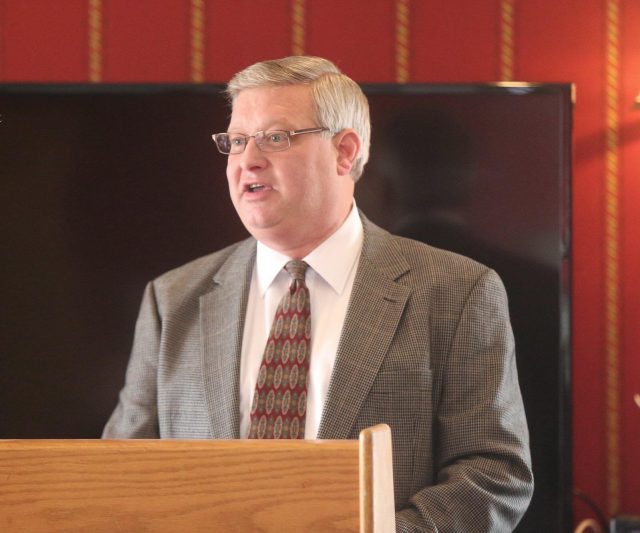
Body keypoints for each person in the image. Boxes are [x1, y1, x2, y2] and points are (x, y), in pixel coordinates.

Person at [103, 56, 533, 532]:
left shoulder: (456, 291)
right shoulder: (174, 298)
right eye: (237, 141)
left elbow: (494, 473)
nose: (247, 159)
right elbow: (121, 473)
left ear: (344, 151)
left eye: (275, 137)